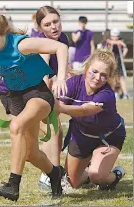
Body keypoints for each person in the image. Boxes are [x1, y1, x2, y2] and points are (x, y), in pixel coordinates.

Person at [0, 9, 68, 201]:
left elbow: (61, 47)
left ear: (4, 34)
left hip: (37, 93)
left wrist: (60, 79)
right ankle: (55, 173)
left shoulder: (21, 44)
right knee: (30, 154)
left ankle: (13, 185)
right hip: (15, 96)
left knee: (16, 126)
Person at [55, 49, 126, 191]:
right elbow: (57, 106)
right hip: (81, 135)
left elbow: (84, 110)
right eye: (94, 71)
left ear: (109, 77)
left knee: (97, 176)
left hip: (108, 137)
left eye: (104, 75)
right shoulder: (73, 83)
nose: (97, 77)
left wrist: (58, 108)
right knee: (72, 183)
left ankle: (115, 176)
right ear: (86, 68)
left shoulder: (107, 94)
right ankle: (87, 168)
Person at [33, 5, 69, 190]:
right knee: (53, 130)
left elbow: (57, 71)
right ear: (40, 28)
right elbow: (43, 78)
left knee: (56, 132)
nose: (54, 27)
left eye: (56, 21)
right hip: (26, 93)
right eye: (47, 24)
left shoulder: (63, 39)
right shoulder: (41, 44)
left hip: (40, 90)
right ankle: (52, 176)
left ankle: (48, 175)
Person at [106, 28, 129, 100]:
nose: (115, 38)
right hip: (112, 62)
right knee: (113, 79)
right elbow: (110, 42)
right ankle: (115, 93)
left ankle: (125, 94)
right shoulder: (109, 41)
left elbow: (125, 48)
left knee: (121, 78)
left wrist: (123, 51)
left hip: (119, 62)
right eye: (113, 36)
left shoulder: (121, 41)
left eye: (116, 36)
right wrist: (119, 42)